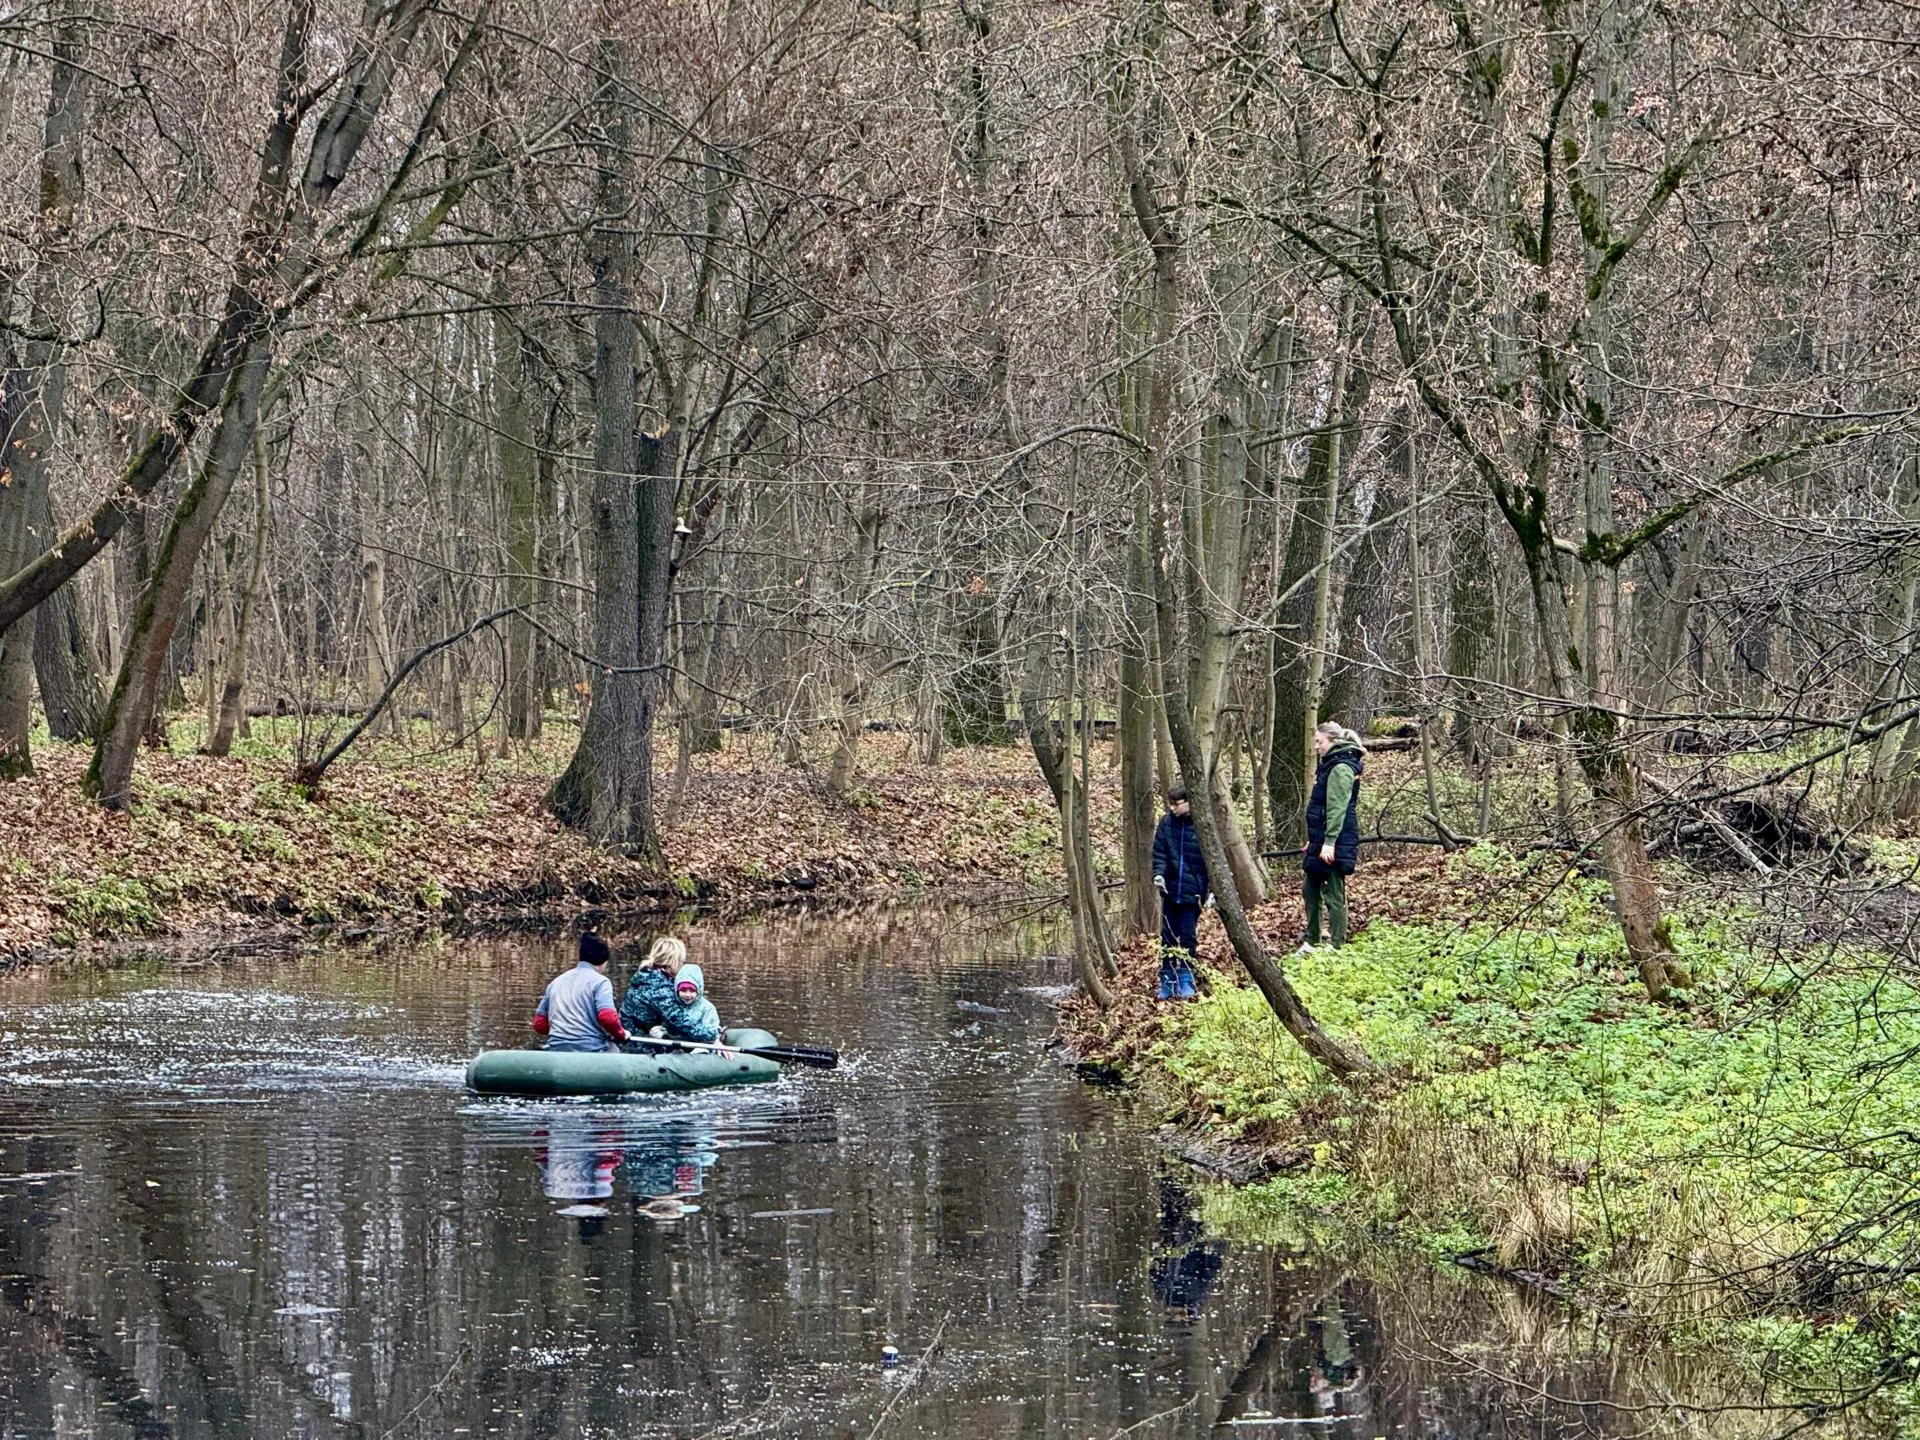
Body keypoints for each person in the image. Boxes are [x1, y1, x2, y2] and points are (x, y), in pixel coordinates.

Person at [1302, 722, 1366, 949]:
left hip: (1337, 839)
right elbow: (1321, 809)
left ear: (1333, 741)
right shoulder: (1330, 765)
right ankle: (1312, 940)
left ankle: (1336, 944)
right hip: (1323, 839)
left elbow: (1337, 808)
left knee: (1334, 892)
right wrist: (1315, 840)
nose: (1317, 747)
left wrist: (1329, 842)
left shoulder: (1340, 768)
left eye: (1320, 742)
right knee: (1310, 888)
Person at [1151, 781, 1208, 1001]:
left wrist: (1209, 891)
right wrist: (1159, 875)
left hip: (1193, 891)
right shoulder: (1166, 824)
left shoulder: (1202, 825)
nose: (1173, 808)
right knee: (1167, 936)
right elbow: (1160, 853)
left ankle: (1186, 977)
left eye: (1177, 804)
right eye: (1170, 804)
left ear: (1189, 802)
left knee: (1187, 935)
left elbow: (1211, 861)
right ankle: (1166, 977)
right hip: (1171, 890)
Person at [531, 932, 630, 1051]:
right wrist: (621, 1034)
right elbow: (607, 1017)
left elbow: (539, 1024)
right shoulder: (601, 982)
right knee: (614, 1049)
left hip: (556, 1048)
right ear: (604, 962)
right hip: (590, 1048)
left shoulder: (556, 982)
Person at [619, 935, 686, 1036]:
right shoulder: (659, 986)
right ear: (673, 962)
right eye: (681, 961)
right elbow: (680, 1021)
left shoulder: (645, 975)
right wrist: (711, 1034)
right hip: (640, 1044)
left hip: (633, 1035)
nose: (682, 965)